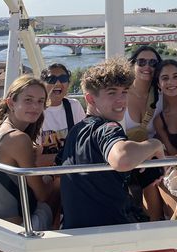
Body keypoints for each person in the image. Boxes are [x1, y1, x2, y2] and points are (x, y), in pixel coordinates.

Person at [59, 57, 165, 229]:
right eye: (111, 92)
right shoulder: (107, 127)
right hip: (112, 232)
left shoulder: (75, 131)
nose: (121, 100)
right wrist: (155, 144)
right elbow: (122, 159)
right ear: (91, 99)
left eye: (124, 92)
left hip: (75, 230)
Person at [0, 75, 54, 230]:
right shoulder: (18, 139)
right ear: (11, 103)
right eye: (28, 100)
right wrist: (55, 175)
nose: (35, 107)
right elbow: (42, 194)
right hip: (15, 230)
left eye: (40, 101)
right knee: (59, 184)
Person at [124, 45, 164, 221]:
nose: (147, 67)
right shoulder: (120, 94)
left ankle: (155, 223)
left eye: (153, 63)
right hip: (123, 152)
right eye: (141, 62)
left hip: (150, 155)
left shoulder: (161, 96)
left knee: (151, 175)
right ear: (133, 65)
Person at [39, 63, 86, 165]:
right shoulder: (37, 111)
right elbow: (37, 159)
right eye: (51, 79)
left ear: (68, 83)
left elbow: (84, 142)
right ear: (43, 84)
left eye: (63, 78)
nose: (58, 83)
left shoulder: (74, 106)